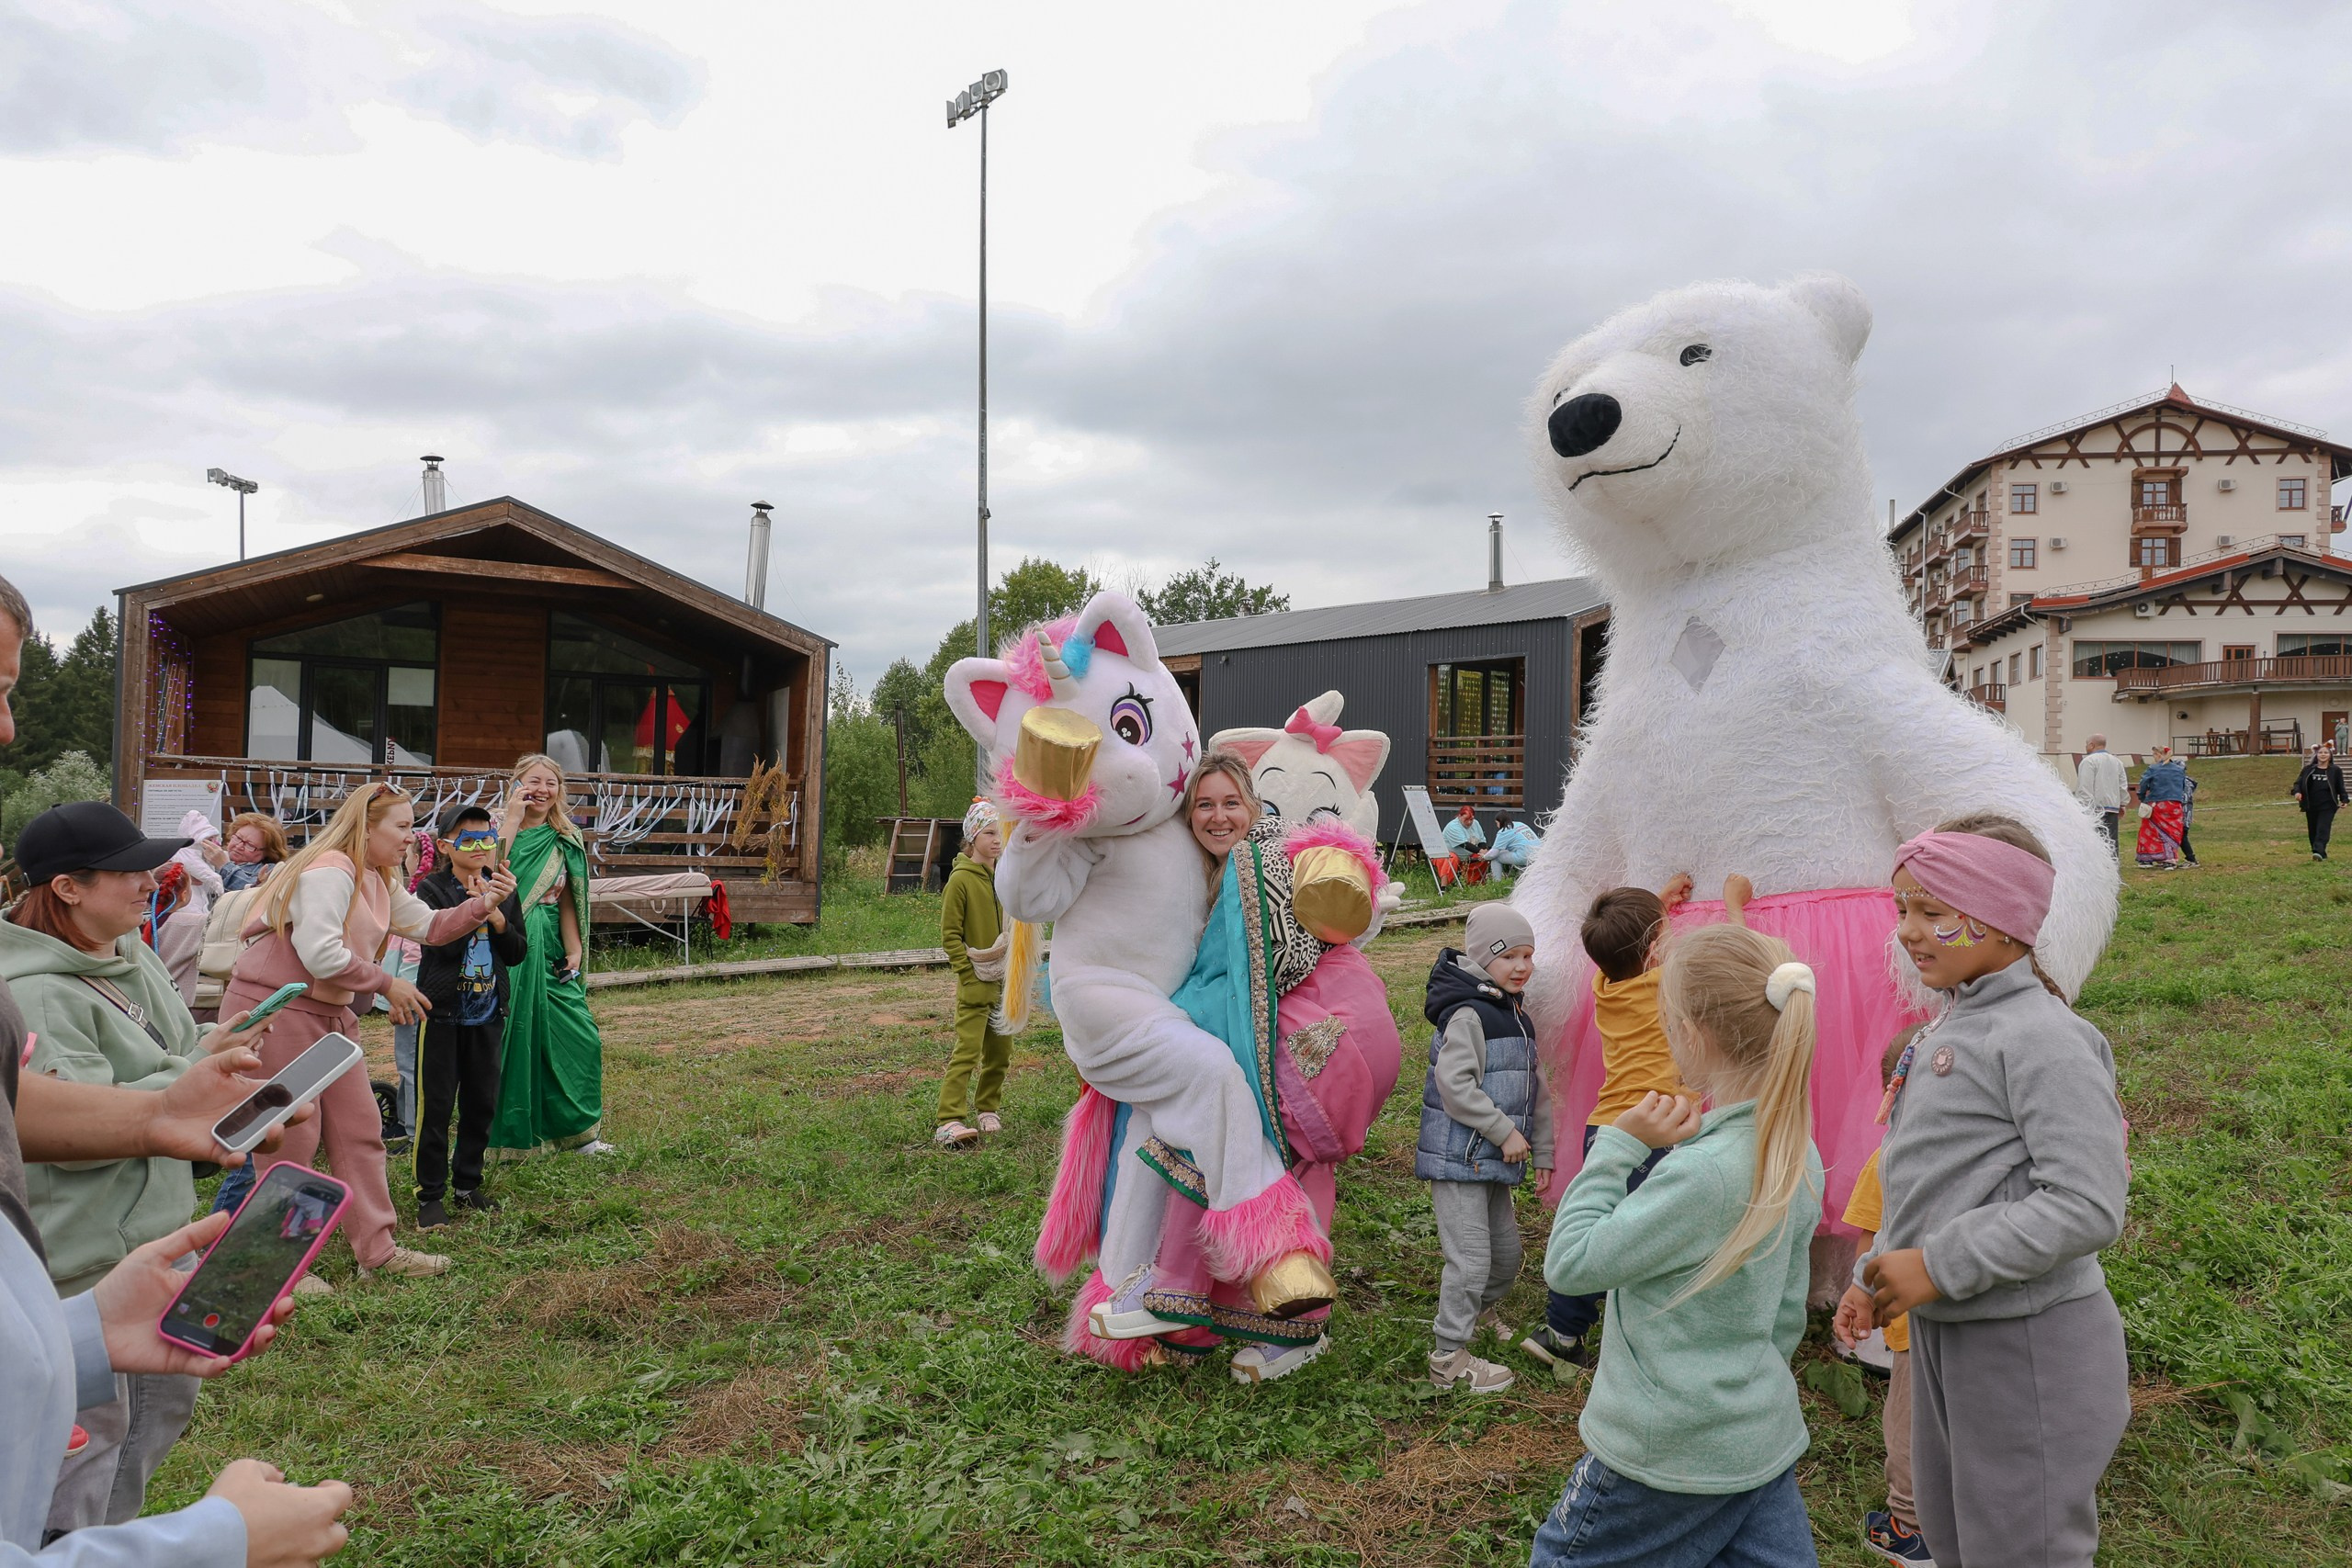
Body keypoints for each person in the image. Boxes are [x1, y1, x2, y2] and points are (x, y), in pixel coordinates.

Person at [1849, 815, 2130, 1568]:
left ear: (2005, 917)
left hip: (2027, 1344)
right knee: (1953, 1527)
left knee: (2021, 1542)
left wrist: (1936, 1265)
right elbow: (1924, 1179)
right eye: (1902, 907)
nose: (1908, 930)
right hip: (1951, 1329)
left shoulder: (2042, 1038)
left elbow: (2088, 1202)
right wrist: (1872, 1275)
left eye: (1933, 912)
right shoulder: (1952, 1026)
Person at [0, 800, 288, 1535]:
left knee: (148, 1428)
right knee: (83, 1459)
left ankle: (109, 1538)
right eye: (128, 869)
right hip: (87, 1265)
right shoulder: (33, 991)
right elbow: (83, 1124)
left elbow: (174, 1054)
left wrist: (216, 1052)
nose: (151, 878)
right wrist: (188, 1096)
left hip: (152, 1239)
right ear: (67, 887)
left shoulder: (133, 955)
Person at [1533, 923, 1824, 1566]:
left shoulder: (1703, 1173)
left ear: (1690, 1034)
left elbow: (1572, 1263)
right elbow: (1786, 1313)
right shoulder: (1797, 1152)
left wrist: (1618, 1143)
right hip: (1756, 1440)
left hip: (1660, 1453)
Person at [226, 783, 503, 1285]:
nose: (412, 837)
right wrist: (387, 983)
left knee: (360, 1132)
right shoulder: (331, 871)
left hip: (331, 1014)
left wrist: (482, 906)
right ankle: (275, 1264)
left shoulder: (377, 876)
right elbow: (321, 954)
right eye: (401, 826)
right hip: (279, 1011)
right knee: (292, 1137)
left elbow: (431, 926)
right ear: (366, 827)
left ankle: (378, 1251)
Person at [1521, 874, 1708, 1369]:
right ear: (1654, 952)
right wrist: (1731, 905)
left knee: (1599, 1228)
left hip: (1606, 1125)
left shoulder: (1607, 983)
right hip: (1657, 1127)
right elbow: (1729, 965)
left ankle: (1560, 1331)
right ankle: (1650, 1335)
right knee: (1649, 1234)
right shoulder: (1672, 983)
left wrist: (1658, 905)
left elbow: (1629, 946)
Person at [1417, 903, 1554, 1393]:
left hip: (1491, 1158)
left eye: (1528, 955)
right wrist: (1502, 1131)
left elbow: (1533, 1087)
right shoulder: (1469, 1015)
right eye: (1509, 956)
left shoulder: (1514, 1013)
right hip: (1459, 1159)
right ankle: (1448, 1357)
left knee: (1506, 1255)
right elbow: (1456, 1087)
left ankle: (1478, 1313)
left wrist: (1541, 1149)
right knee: (1471, 1258)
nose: (1522, 966)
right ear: (1481, 959)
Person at [1833, 1027, 1932, 1567]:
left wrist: (1862, 1291)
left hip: (1914, 1330)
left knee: (1910, 1422)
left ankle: (1909, 1526)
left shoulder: (1889, 1157)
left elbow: (1871, 1239)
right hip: (1979, 1319)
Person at [489, 754, 616, 1158]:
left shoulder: (566, 836)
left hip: (551, 947)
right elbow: (488, 872)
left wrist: (575, 949)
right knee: (515, 1035)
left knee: (580, 1037)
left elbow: (566, 901)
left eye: (551, 783)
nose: (542, 790)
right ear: (516, 784)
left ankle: (579, 1134)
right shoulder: (492, 827)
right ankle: (510, 1138)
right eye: (533, 781)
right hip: (506, 941)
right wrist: (510, 819)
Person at [410, 805, 528, 1230]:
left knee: (481, 1103)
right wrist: (476, 908)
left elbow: (516, 952)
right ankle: (430, 1195)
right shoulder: (432, 890)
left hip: (488, 1013)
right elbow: (439, 948)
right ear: (445, 846)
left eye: (487, 839)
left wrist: (497, 916)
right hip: (442, 1014)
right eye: (468, 840)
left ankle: (467, 1183)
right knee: (437, 1106)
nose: (480, 847)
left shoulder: (504, 889)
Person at [935, 798, 1012, 1148]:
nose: (998, 840)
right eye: (990, 833)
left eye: (1001, 833)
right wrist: (968, 975)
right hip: (975, 986)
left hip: (1004, 986)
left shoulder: (1005, 878)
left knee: (1000, 1053)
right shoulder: (960, 881)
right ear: (972, 836)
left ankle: (987, 1108)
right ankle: (949, 1119)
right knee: (967, 1051)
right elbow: (950, 935)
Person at [2133, 747, 2193, 870]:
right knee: (2171, 831)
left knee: (2149, 831)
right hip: (2174, 804)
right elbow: (2182, 786)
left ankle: (2147, 859)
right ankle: (2170, 860)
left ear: (2157, 755)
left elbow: (2144, 782)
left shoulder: (2154, 768)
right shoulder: (2179, 770)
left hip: (2157, 802)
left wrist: (2142, 796)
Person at [2292, 742, 2346, 862]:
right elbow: (2298, 783)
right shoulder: (2308, 769)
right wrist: (2297, 792)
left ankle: (2318, 850)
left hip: (2328, 805)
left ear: (2330, 755)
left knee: (2323, 828)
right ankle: (2320, 853)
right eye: (2320, 752)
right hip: (2311, 804)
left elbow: (2340, 786)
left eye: (2326, 753)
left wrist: (2344, 799)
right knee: (2313, 829)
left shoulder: (2335, 770)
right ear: (2316, 755)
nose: (2323, 755)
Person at [2074, 735, 2128, 853]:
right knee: (2111, 841)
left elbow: (2085, 786)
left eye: (2086, 744)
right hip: (2112, 807)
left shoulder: (2088, 761)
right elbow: (2122, 785)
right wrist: (2123, 804)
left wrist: (2083, 807)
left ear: (2092, 745)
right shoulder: (2117, 762)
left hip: (2095, 808)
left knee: (2095, 841)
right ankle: (2112, 867)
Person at [220, 813, 288, 894]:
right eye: (238, 838)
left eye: (250, 845)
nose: (239, 846)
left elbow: (254, 893)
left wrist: (224, 866)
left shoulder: (270, 870)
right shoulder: (214, 856)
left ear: (269, 853)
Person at [1441, 804, 1495, 886]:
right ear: (1459, 816)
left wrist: (1484, 851)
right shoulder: (1453, 826)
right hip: (1454, 855)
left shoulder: (1476, 823)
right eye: (1466, 819)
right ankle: (1448, 885)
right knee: (1452, 858)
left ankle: (1475, 882)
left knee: (1485, 858)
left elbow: (1481, 840)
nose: (1469, 822)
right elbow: (1464, 844)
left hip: (1470, 854)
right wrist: (1481, 851)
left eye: (1471, 819)